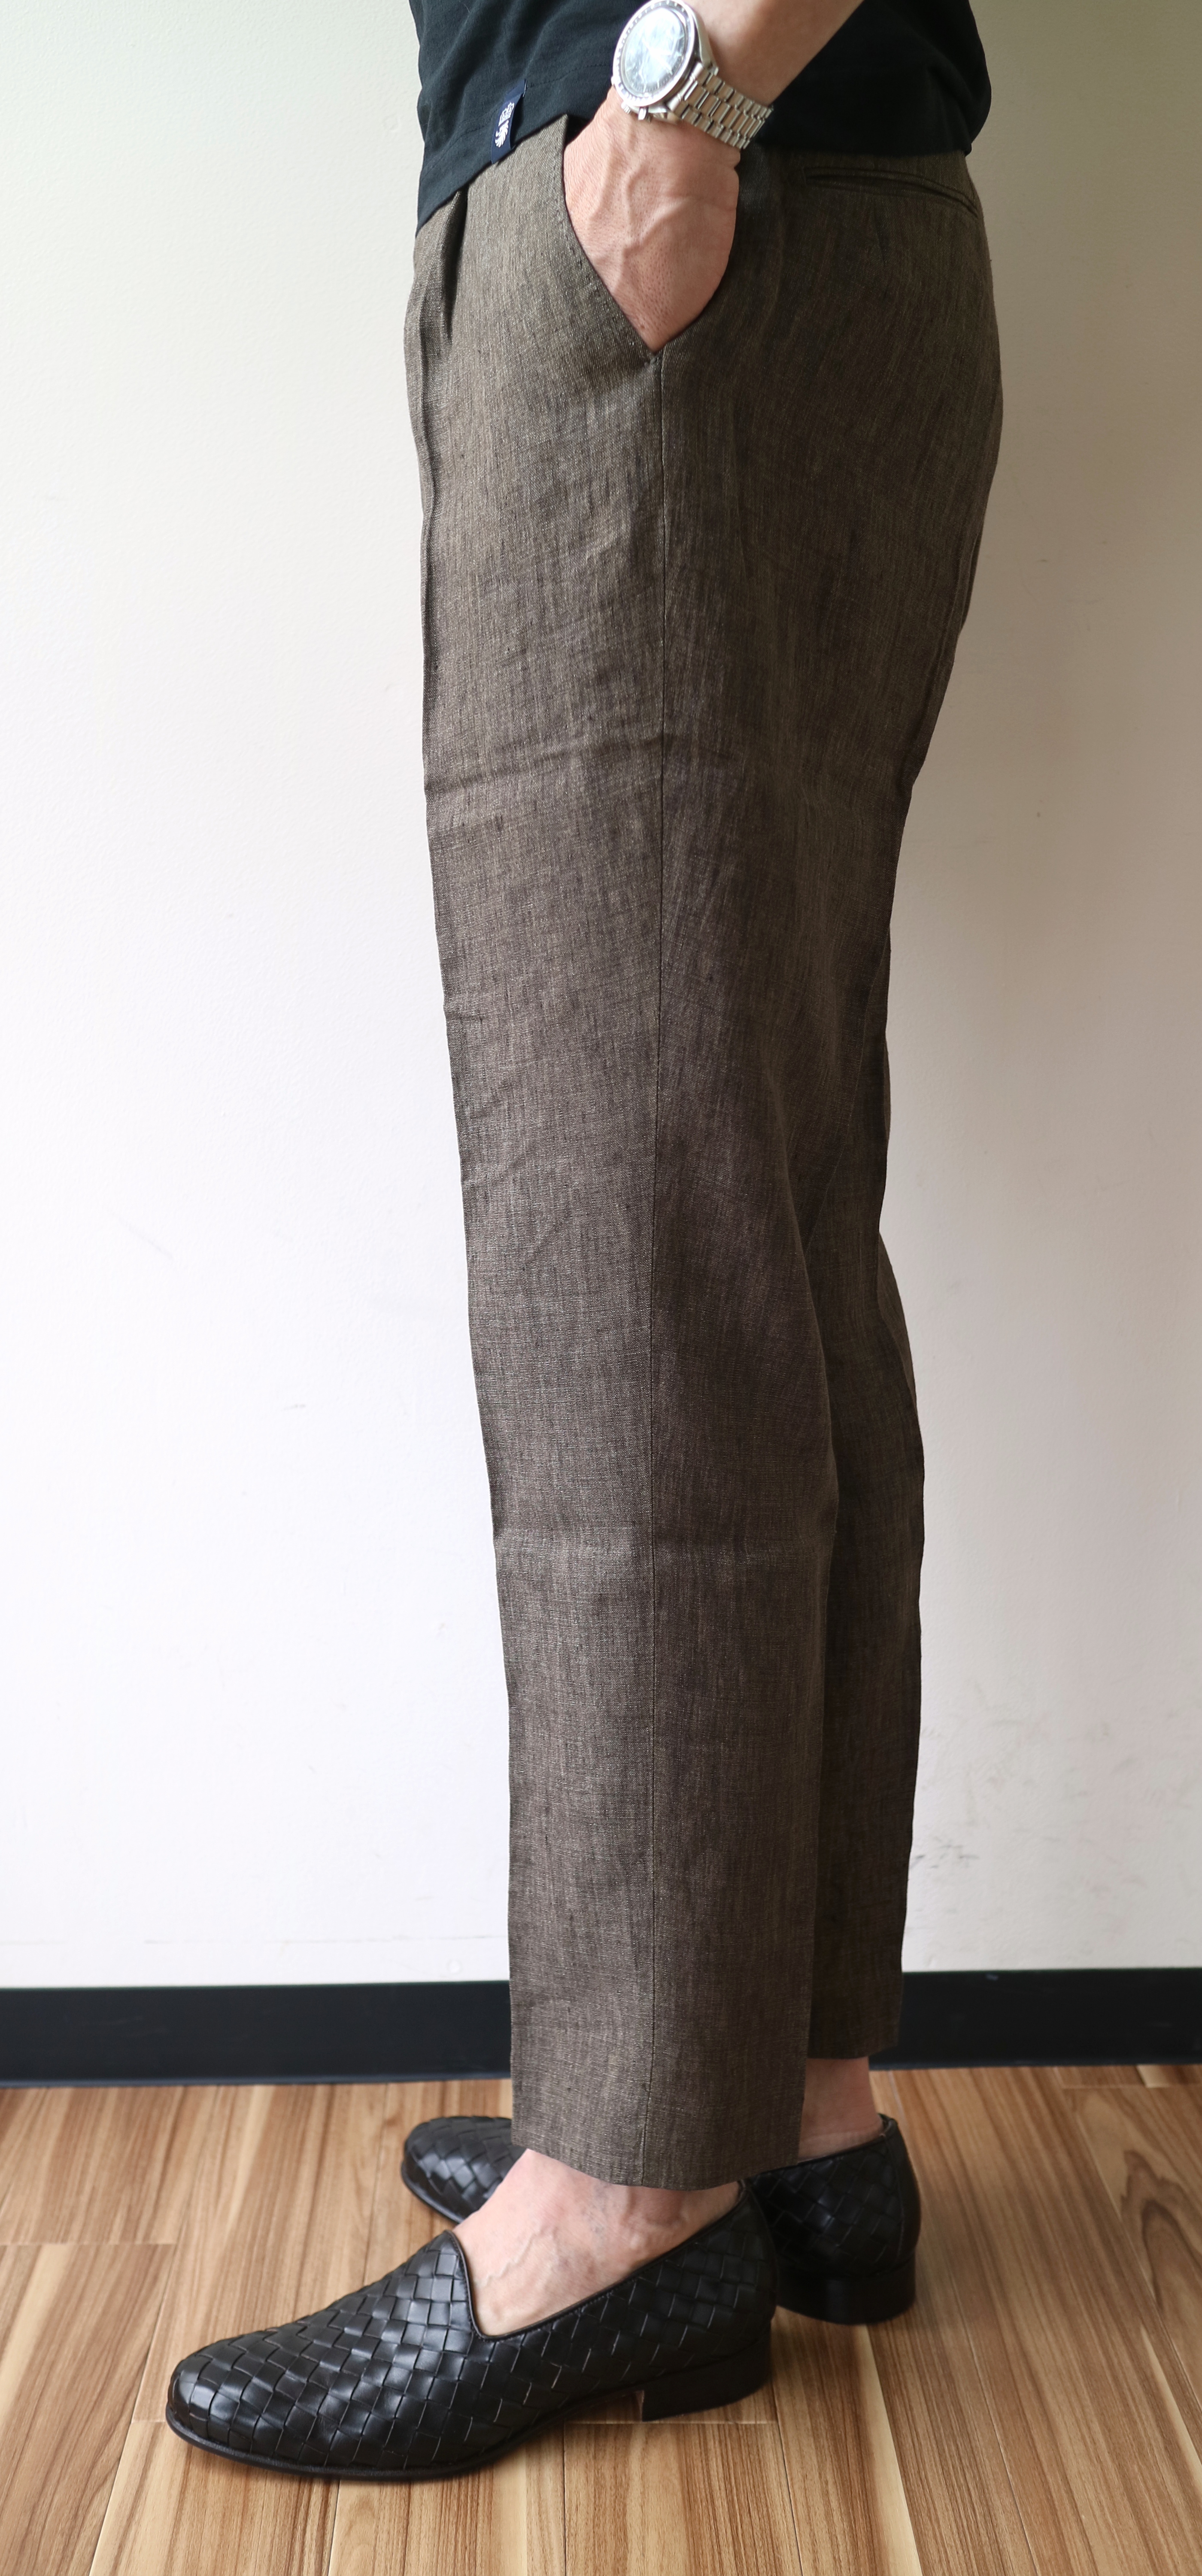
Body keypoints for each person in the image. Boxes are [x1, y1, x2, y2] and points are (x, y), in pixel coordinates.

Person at [167, 0, 1001, 2480]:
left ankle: (631, 2191)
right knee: (758, 1215)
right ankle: (797, 2105)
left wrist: (682, 107)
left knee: (627, 1239)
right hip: (760, 222)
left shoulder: (683, 157)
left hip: (686, 210)